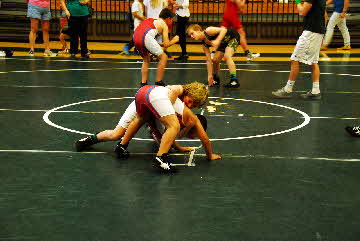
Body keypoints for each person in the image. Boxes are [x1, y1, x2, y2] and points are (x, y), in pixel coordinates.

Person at [75, 82, 218, 172]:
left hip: (143, 94)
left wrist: (179, 148)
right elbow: (205, 140)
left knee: (118, 133)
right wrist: (210, 156)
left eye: (194, 105)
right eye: (191, 102)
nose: (190, 106)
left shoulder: (180, 105)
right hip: (154, 96)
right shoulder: (185, 106)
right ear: (190, 93)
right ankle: (161, 158)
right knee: (173, 126)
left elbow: (164, 136)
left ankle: (94, 141)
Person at [272, 0, 326, 100]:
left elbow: (302, 12)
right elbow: (325, 15)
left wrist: (297, 2)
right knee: (313, 62)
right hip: (318, 31)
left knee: (294, 59)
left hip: (311, 32)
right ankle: (315, 91)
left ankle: (288, 89)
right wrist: (323, 33)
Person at [133, 8, 179, 86]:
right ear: (168, 19)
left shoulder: (151, 20)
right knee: (163, 57)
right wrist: (175, 40)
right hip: (146, 36)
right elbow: (166, 44)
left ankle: (143, 83)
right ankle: (158, 81)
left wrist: (159, 45)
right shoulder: (164, 24)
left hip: (135, 36)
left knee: (146, 59)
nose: (172, 22)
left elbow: (150, 39)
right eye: (172, 20)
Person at [187, 24, 240, 88]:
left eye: (192, 33)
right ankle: (215, 79)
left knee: (227, 56)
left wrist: (218, 40)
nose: (192, 36)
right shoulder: (204, 45)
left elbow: (223, 30)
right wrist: (210, 76)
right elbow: (208, 61)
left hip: (232, 37)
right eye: (190, 35)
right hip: (223, 43)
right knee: (215, 60)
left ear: (198, 30)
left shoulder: (208, 31)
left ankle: (234, 80)